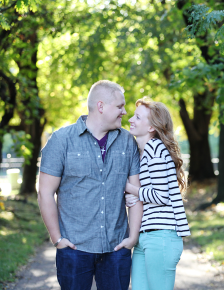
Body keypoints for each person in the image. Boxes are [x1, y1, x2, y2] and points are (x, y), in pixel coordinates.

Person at [37, 80, 143, 290]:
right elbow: (45, 193)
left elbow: (135, 194)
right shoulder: (61, 140)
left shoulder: (127, 142)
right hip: (74, 249)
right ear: (101, 106)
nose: (124, 112)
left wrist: (132, 238)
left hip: (116, 248)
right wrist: (57, 239)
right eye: (120, 106)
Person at [124, 97, 191, 290]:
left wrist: (129, 188)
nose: (130, 119)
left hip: (161, 237)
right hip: (145, 236)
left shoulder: (155, 149)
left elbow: (161, 196)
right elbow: (149, 193)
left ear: (151, 127)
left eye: (137, 117)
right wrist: (136, 195)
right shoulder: (143, 153)